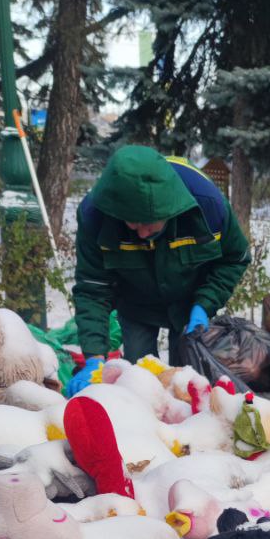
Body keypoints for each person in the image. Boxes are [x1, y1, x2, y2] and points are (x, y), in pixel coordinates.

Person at [67, 146, 250, 393]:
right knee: (138, 382)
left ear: (170, 208)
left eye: (150, 224)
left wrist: (204, 304)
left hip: (189, 301)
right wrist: (94, 358)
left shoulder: (208, 207)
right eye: (132, 224)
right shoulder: (95, 215)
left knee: (186, 384)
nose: (142, 233)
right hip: (135, 303)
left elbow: (234, 258)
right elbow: (92, 289)